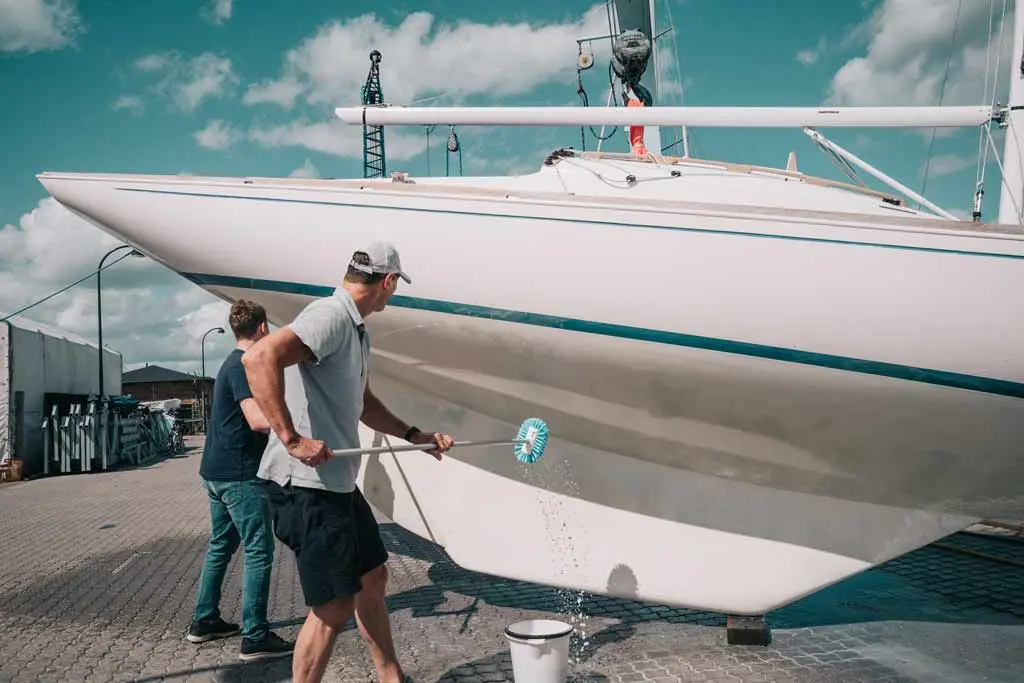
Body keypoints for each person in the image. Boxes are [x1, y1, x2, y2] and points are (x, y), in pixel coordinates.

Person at [242, 242, 454, 683]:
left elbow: (363, 404)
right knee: (334, 605)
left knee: (373, 576)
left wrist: (415, 437)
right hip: (304, 486)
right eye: (394, 288)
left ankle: (389, 676)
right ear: (388, 281)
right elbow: (260, 357)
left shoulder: (357, 330)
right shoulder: (331, 316)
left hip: (336, 485)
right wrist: (292, 438)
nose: (392, 296)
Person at [186, 300, 295, 662]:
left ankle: (205, 621)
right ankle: (255, 635)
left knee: (221, 544)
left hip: (215, 472)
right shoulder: (243, 367)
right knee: (259, 550)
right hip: (239, 476)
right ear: (263, 328)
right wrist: (293, 432)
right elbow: (257, 420)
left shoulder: (227, 364)